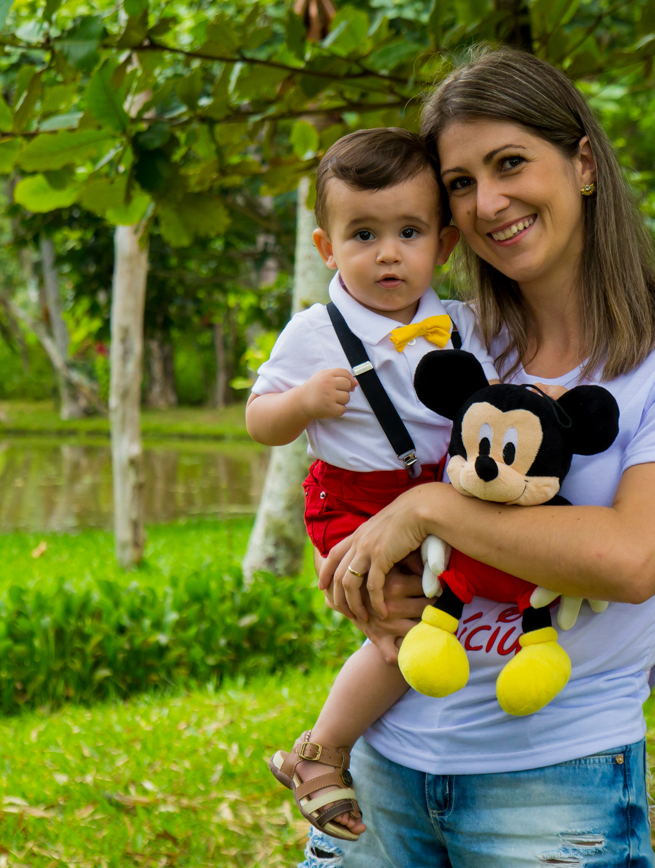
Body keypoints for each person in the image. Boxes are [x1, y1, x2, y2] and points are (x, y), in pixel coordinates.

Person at [299, 46, 655, 868]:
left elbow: (632, 558)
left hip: (552, 783)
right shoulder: (441, 339)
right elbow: (357, 483)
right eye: (461, 183)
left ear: (582, 162)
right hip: (384, 765)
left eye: (510, 164)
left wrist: (428, 509)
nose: (488, 203)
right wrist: (357, 572)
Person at [245, 127, 500, 841]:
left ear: (443, 245)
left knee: (458, 602)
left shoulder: (463, 324)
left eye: (408, 232)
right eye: (362, 234)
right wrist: (299, 405)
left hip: (439, 496)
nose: (387, 253)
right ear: (327, 248)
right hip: (353, 499)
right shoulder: (314, 331)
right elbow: (258, 419)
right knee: (401, 629)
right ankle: (323, 752)